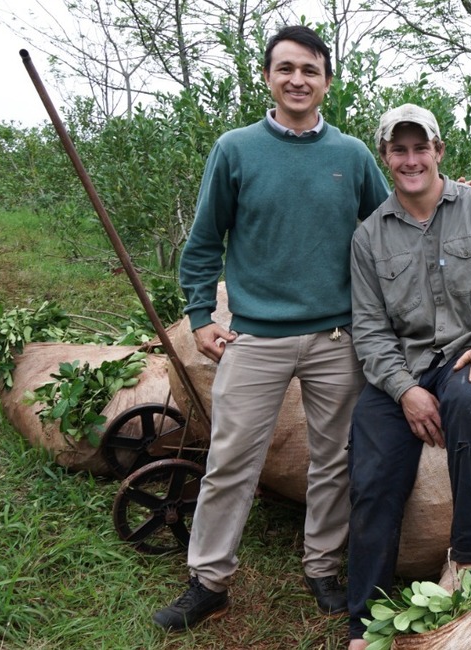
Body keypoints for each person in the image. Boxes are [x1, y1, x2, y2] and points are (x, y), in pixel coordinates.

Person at [152, 25, 390, 631]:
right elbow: (205, 241)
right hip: (255, 335)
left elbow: (393, 224)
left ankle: (322, 565)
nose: (297, 80)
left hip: (338, 337)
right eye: (286, 69)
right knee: (232, 458)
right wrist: (202, 316)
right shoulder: (235, 149)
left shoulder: (352, 156)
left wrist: (453, 197)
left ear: (327, 83)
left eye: (310, 70)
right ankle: (208, 580)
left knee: (333, 457)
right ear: (267, 77)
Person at [345, 103, 471, 649]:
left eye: (420, 147)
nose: (411, 159)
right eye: (399, 149)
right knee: (373, 466)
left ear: (439, 150)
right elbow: (369, 328)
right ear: (385, 157)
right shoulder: (369, 237)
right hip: (404, 367)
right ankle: (367, 618)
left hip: (468, 351)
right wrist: (405, 390)